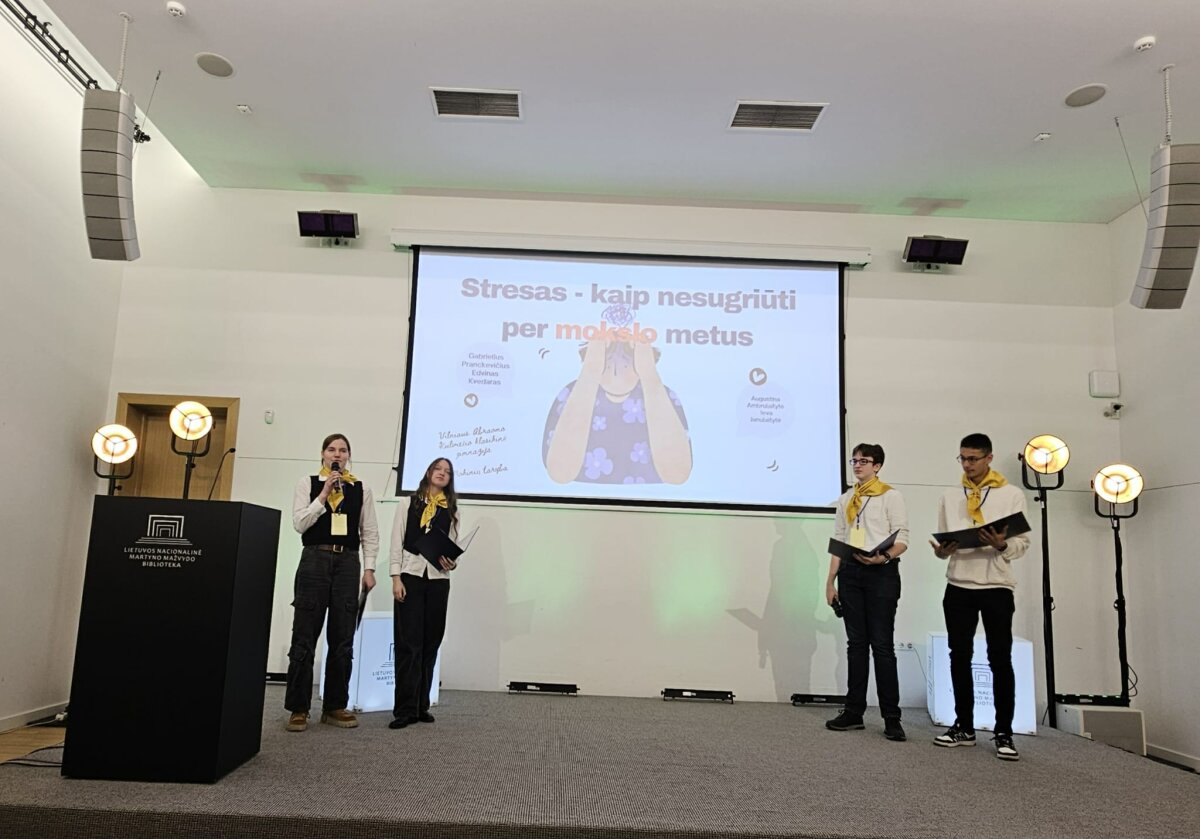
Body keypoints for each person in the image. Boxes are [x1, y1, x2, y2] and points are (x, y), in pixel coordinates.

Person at [930, 433, 1030, 761]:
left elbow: (1022, 543)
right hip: (958, 584)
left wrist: (1001, 544)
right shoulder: (950, 496)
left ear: (989, 458)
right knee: (958, 656)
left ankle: (1004, 731)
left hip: (996, 586)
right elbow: (945, 544)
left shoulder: (1011, 495)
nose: (967, 464)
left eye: (973, 458)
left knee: (999, 658)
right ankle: (964, 726)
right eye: (962, 458)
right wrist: (942, 551)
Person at [285, 433, 378, 732]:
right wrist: (323, 495)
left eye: (343, 450)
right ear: (323, 454)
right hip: (315, 559)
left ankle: (335, 705)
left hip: (347, 562)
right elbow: (300, 523)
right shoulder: (308, 483)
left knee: (342, 638)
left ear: (349, 456)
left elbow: (369, 532)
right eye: (331, 449)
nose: (337, 454)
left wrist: (369, 568)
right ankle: (298, 708)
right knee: (304, 635)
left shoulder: (361, 488)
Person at [824, 443, 909, 741]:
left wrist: (882, 557)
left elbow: (903, 538)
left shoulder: (890, 496)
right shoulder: (846, 498)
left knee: (882, 646)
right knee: (856, 645)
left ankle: (892, 717)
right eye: (854, 460)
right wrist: (830, 581)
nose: (857, 465)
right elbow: (839, 539)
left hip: (881, 573)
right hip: (850, 574)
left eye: (864, 460)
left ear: (878, 466)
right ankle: (853, 712)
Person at [542, 338, 691, 485]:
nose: (615, 371)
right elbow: (560, 474)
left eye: (626, 363)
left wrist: (649, 374)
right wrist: (590, 372)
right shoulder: (574, 392)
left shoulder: (660, 394)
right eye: (607, 363)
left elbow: (676, 475)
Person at [388, 457, 460, 729]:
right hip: (411, 575)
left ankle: (421, 705)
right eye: (438, 469)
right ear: (428, 472)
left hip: (438, 580)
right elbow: (396, 541)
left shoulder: (451, 509)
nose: (442, 474)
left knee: (431, 643)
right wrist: (396, 577)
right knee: (409, 644)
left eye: (447, 472)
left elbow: (453, 546)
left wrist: (452, 562)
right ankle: (404, 709)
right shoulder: (408, 504)